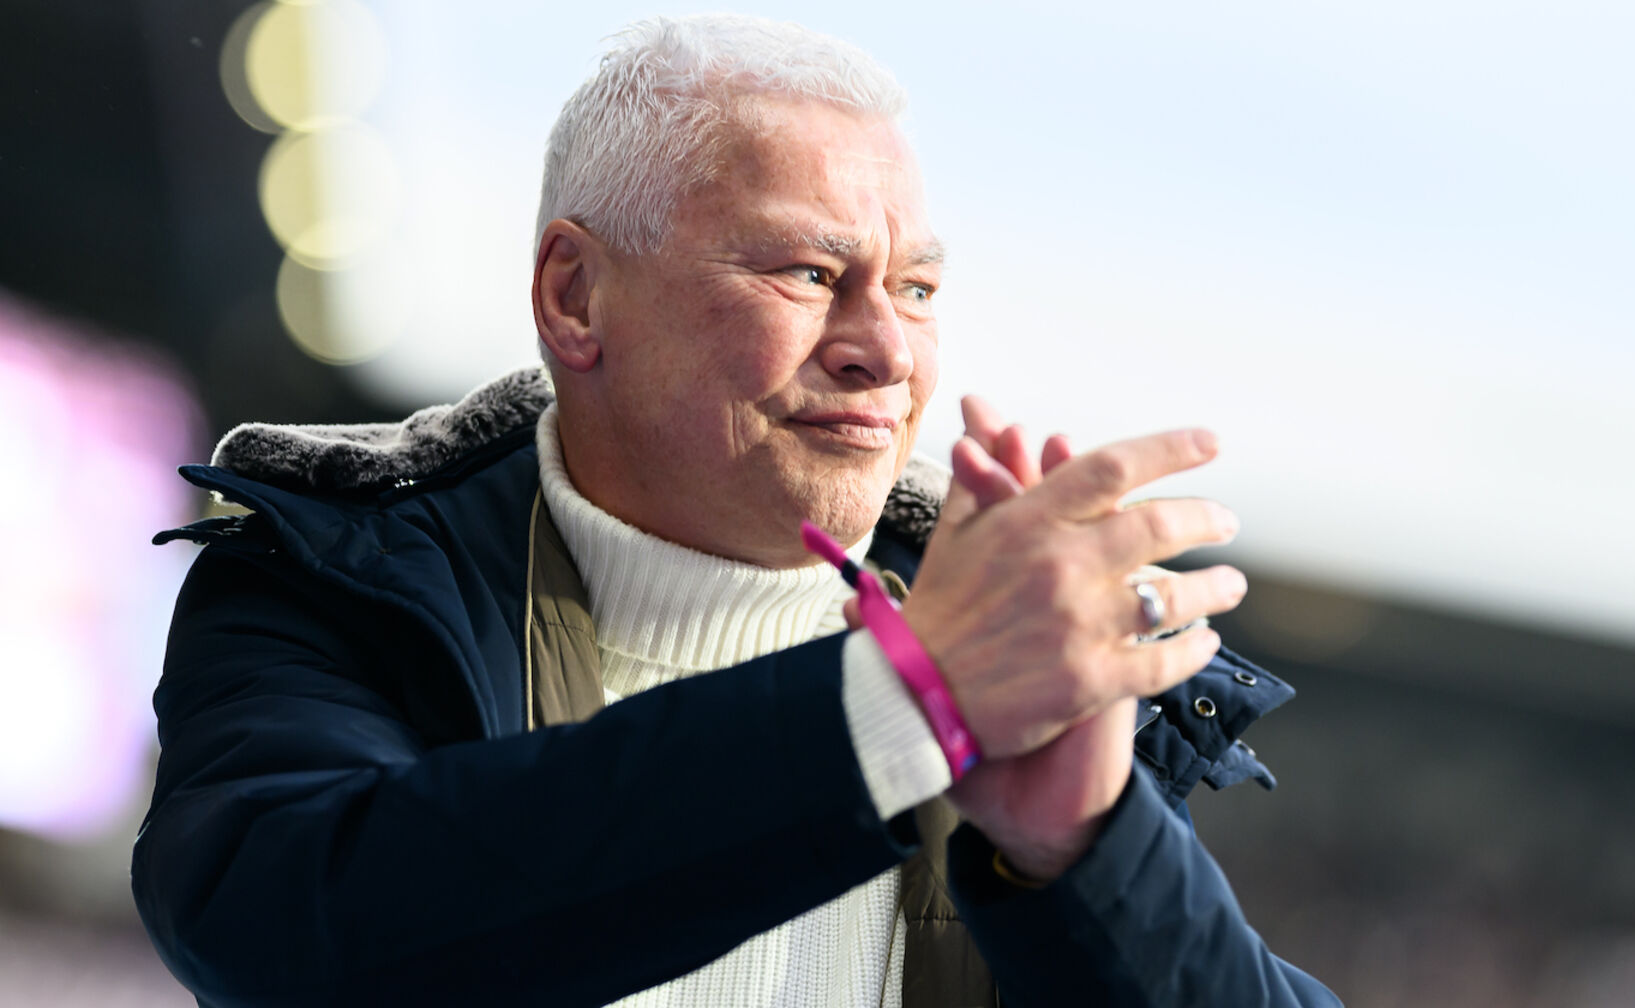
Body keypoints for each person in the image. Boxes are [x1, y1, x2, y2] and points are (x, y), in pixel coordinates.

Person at [134, 14, 1341, 1008]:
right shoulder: (333, 571)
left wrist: (1087, 846)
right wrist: (898, 712)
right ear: (575, 296)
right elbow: (297, 937)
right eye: (808, 273)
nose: (885, 350)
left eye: (916, 287)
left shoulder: (1029, 695)